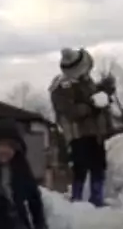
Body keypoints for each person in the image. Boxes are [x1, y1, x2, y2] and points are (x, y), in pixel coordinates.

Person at [49, 47, 114, 206]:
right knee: (81, 165)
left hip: (95, 131)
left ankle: (97, 198)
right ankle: (76, 198)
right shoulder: (61, 86)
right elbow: (68, 110)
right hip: (77, 133)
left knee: (98, 164)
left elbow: (93, 96)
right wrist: (91, 105)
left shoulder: (85, 81)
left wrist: (104, 93)